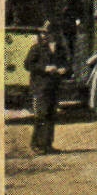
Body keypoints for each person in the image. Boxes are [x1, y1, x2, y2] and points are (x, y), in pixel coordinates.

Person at [25, 24, 70, 155]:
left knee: (51, 115)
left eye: (47, 33)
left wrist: (64, 69)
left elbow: (67, 64)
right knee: (41, 115)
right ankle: (36, 144)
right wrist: (45, 68)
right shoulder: (37, 48)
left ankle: (48, 144)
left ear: (55, 34)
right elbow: (28, 64)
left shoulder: (60, 49)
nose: (44, 35)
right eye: (43, 33)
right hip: (40, 87)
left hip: (54, 87)